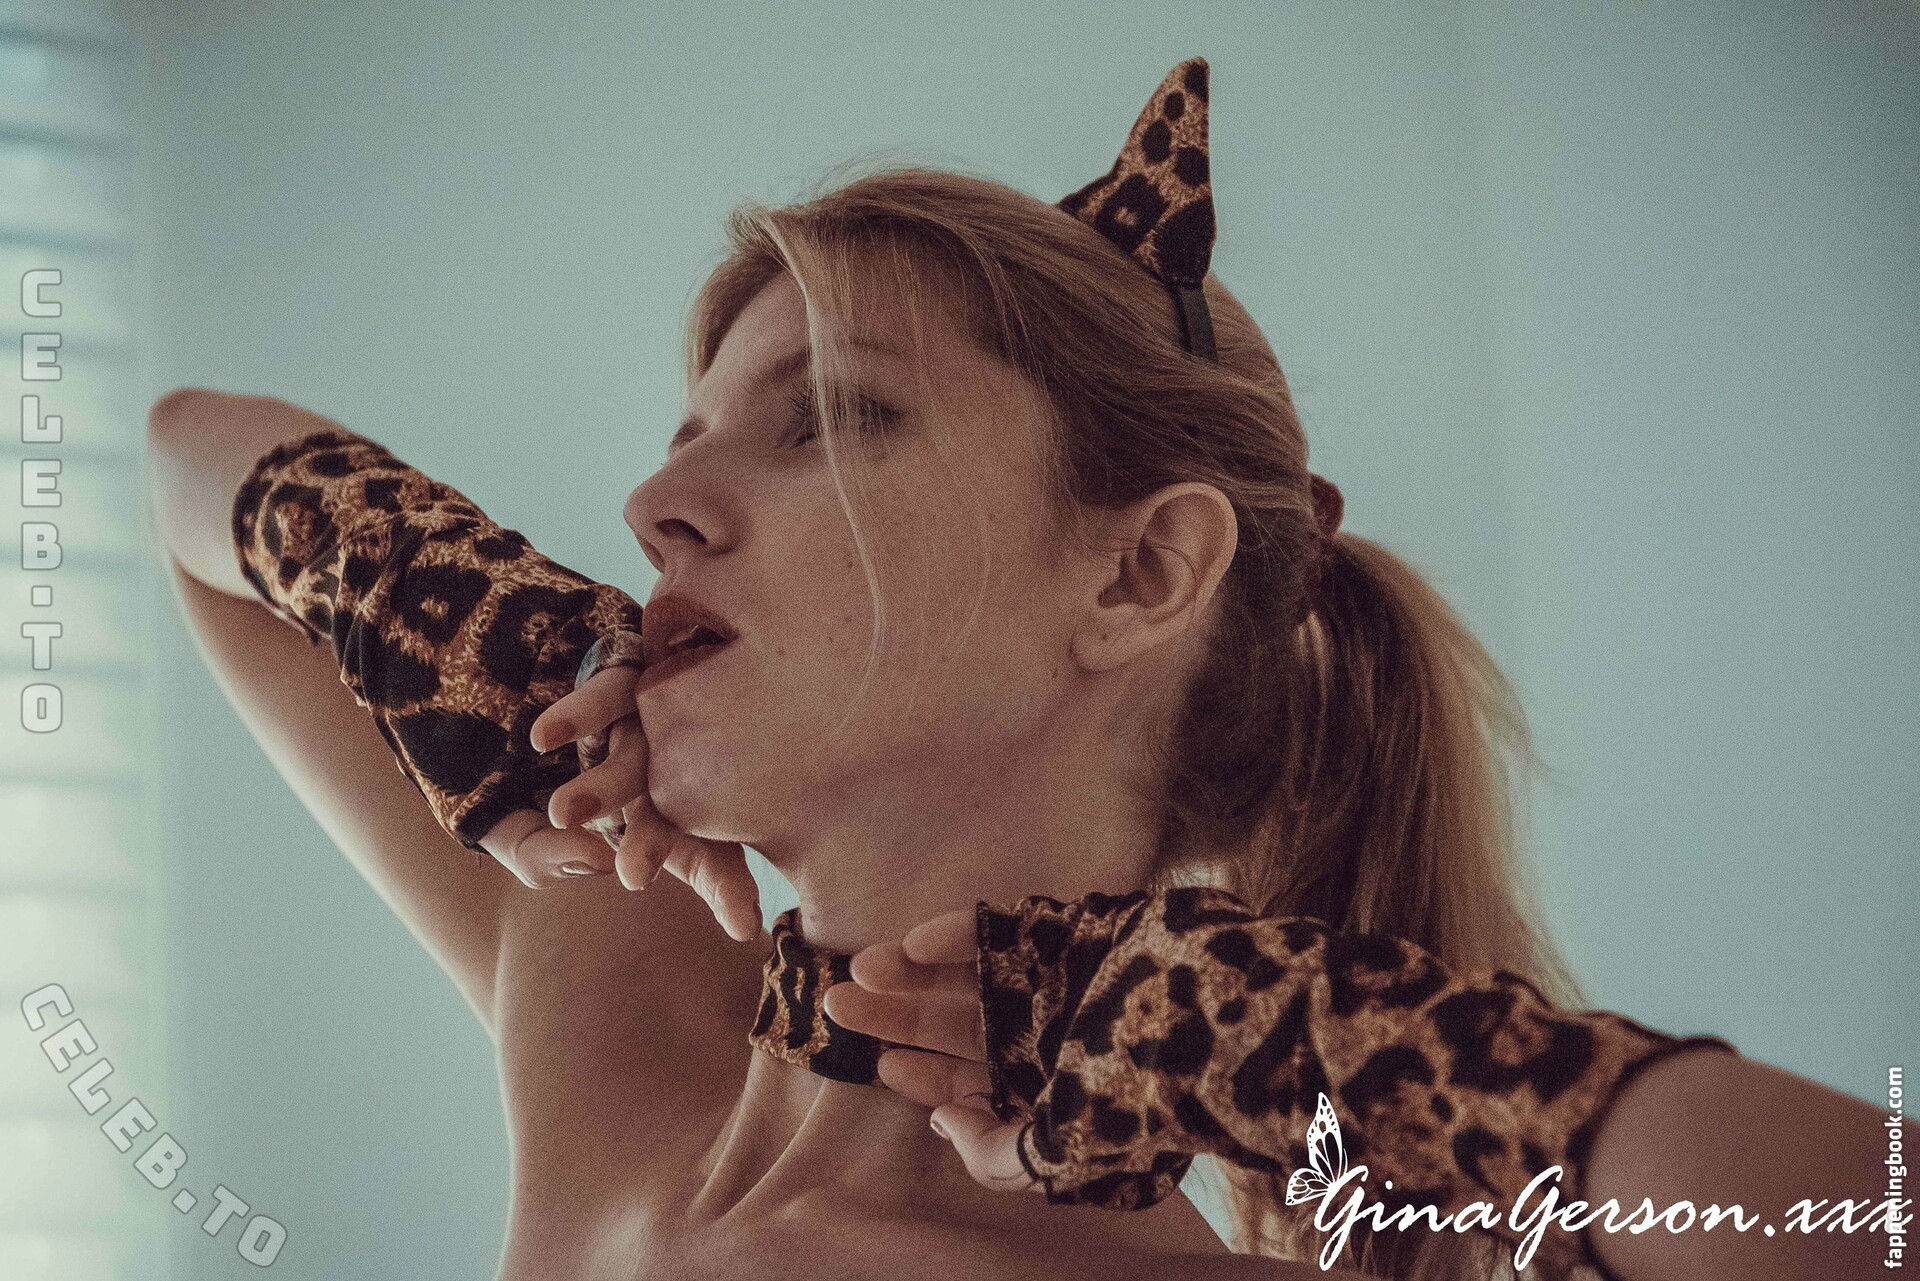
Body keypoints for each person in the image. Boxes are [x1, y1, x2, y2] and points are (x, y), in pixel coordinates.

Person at [145, 59, 1897, 1281]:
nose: (654, 508)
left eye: (832, 419)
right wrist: (508, 640)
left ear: (1139, 572)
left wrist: (1279, 1036)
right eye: (689, 440)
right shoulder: (619, 984)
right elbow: (184, 464)